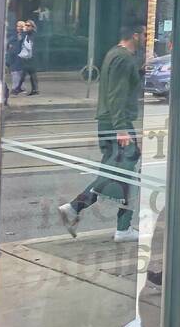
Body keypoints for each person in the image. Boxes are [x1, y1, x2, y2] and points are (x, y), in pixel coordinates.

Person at [58, 22, 144, 242]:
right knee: (127, 171)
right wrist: (122, 128)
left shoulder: (114, 55)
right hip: (117, 123)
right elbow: (117, 94)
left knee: (113, 170)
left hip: (109, 122)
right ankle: (123, 229)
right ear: (135, 35)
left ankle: (75, 208)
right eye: (143, 34)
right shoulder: (123, 58)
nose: (145, 38)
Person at [11, 19, 38, 95]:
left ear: (32, 27)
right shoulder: (25, 34)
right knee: (30, 75)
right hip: (26, 58)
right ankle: (34, 90)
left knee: (27, 74)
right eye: (25, 25)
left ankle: (19, 88)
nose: (26, 27)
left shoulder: (32, 34)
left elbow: (30, 46)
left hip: (30, 58)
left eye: (28, 25)